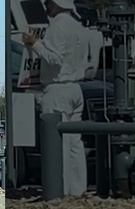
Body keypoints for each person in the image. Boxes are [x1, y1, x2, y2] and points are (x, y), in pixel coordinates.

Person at [22, 0, 89, 196]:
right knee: (74, 143)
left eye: (49, 2)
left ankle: (59, 190)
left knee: (57, 143)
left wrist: (34, 44)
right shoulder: (78, 27)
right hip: (76, 87)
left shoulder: (57, 27)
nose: (46, 6)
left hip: (57, 89)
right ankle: (76, 189)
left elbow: (55, 58)